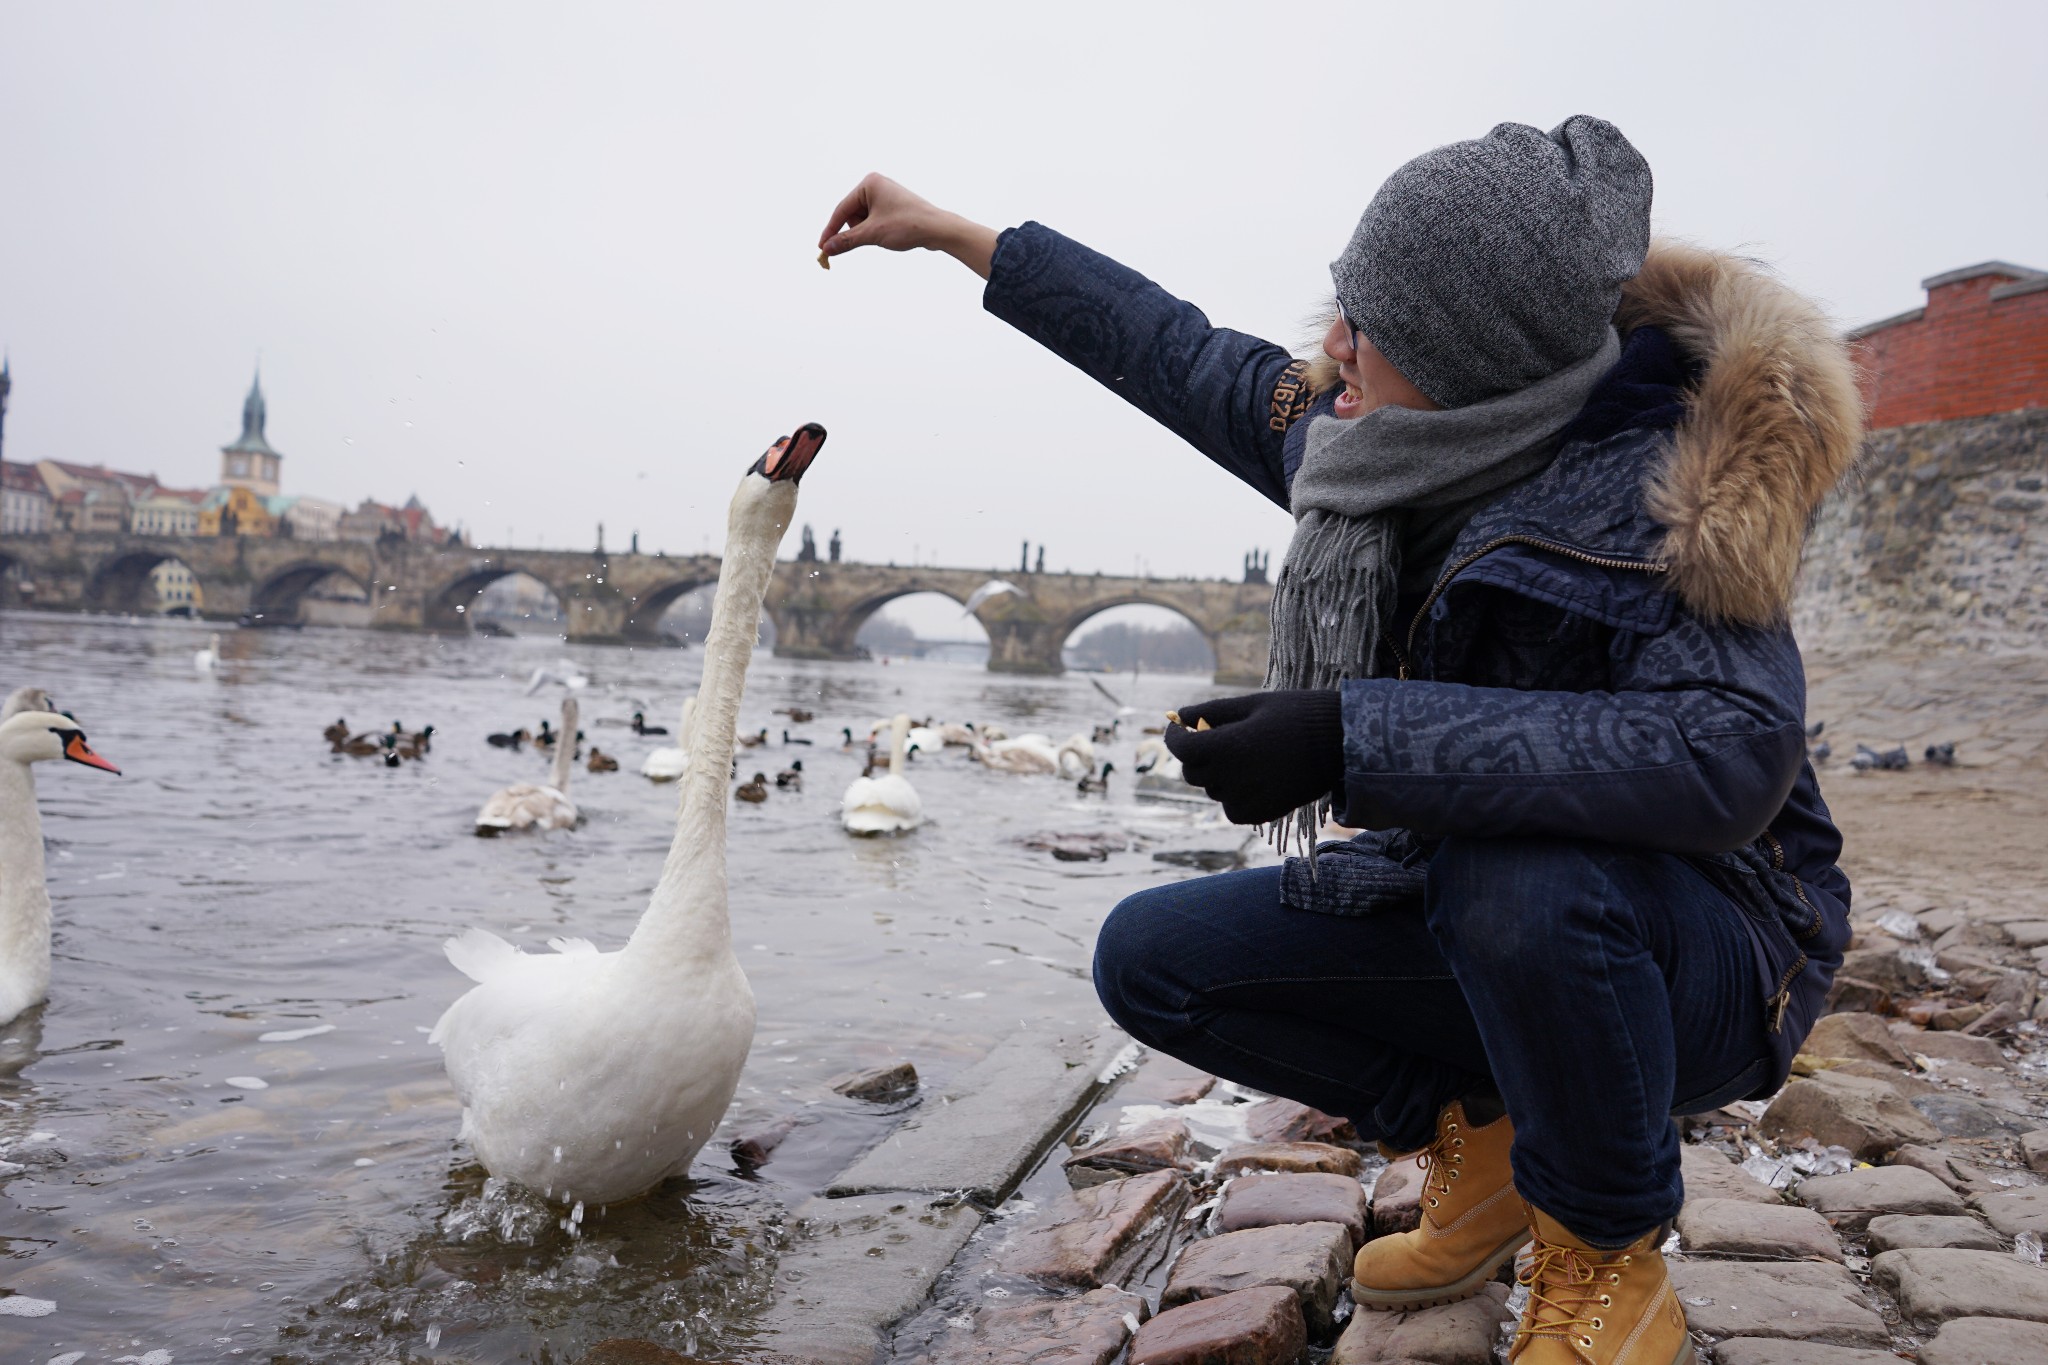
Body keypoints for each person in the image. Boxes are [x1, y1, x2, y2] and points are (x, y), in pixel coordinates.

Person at [819, 117, 1861, 1365]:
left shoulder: (1668, 496)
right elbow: (1182, 355)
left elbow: (1729, 753)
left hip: (1714, 954)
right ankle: (1483, 1143)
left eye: (1369, 329)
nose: (1330, 348)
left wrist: (1351, 733)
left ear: (1472, 359)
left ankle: (1607, 1255)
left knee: (1514, 874)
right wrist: (956, 237)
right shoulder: (1369, 449)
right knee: (1150, 958)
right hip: (1500, 915)